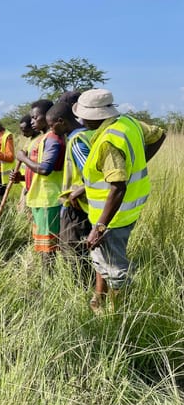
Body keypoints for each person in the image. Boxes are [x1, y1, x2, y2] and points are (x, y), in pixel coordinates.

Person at [73, 89, 166, 313]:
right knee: (106, 260)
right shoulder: (128, 123)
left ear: (95, 115)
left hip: (114, 215)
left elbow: (117, 186)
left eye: (83, 115)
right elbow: (159, 134)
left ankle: (120, 314)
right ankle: (103, 301)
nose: (81, 120)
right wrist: (138, 161)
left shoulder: (108, 141)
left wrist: (100, 226)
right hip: (128, 208)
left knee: (115, 268)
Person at [10, 100, 65, 268]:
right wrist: (20, 178)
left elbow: (45, 169)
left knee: (48, 248)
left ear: (48, 116)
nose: (32, 121)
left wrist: (22, 158)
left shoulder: (52, 140)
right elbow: (36, 171)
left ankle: (47, 281)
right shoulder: (41, 139)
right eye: (31, 118)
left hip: (48, 199)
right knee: (42, 245)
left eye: (36, 117)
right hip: (38, 198)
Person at [48, 102, 93, 260]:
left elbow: (92, 175)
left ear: (61, 121)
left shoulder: (77, 141)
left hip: (78, 207)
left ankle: (81, 285)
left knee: (74, 255)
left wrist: (76, 194)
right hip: (85, 205)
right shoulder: (89, 134)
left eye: (52, 125)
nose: (51, 130)